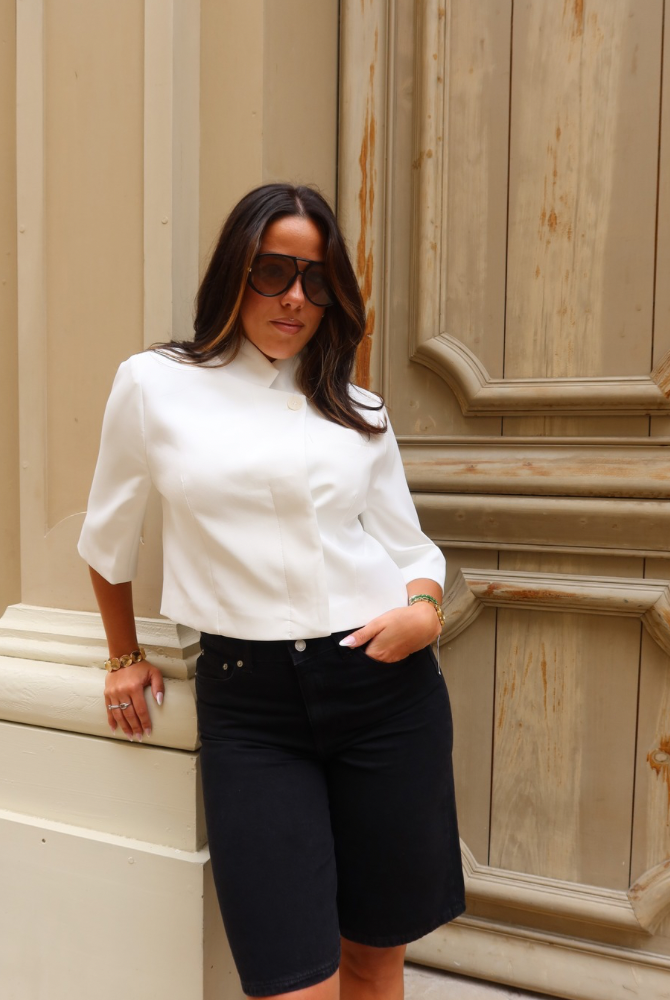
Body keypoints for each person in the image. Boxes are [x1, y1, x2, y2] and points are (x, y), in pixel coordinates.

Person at [78, 183, 465, 1000]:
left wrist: (426, 614)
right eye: (274, 271)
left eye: (317, 280)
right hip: (251, 711)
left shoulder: (356, 407)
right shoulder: (153, 385)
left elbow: (410, 546)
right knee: (292, 981)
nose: (295, 297)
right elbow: (109, 541)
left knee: (374, 961)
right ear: (235, 272)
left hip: (384, 695)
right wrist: (122, 656)